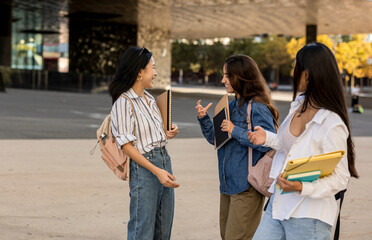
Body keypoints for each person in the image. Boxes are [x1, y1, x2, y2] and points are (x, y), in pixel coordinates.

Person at [248, 43, 359, 240]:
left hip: (309, 216)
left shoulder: (331, 123)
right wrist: (269, 138)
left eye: (295, 67)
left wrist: (301, 186)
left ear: (309, 73)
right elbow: (294, 147)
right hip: (278, 205)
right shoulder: (298, 105)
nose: (292, 73)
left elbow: (341, 178)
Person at [195, 54, 279, 240]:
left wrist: (236, 131)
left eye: (228, 75)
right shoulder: (229, 105)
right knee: (227, 236)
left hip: (247, 186)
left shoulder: (257, 107)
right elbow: (215, 139)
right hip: (226, 184)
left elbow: (268, 142)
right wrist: (204, 119)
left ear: (241, 77)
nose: (223, 80)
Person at [108, 46, 180, 240]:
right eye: (152, 68)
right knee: (142, 232)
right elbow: (127, 146)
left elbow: (152, 135)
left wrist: (168, 132)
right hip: (145, 169)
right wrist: (157, 171)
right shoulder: (123, 102)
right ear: (140, 71)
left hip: (164, 161)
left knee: (163, 231)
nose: (156, 73)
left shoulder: (149, 99)